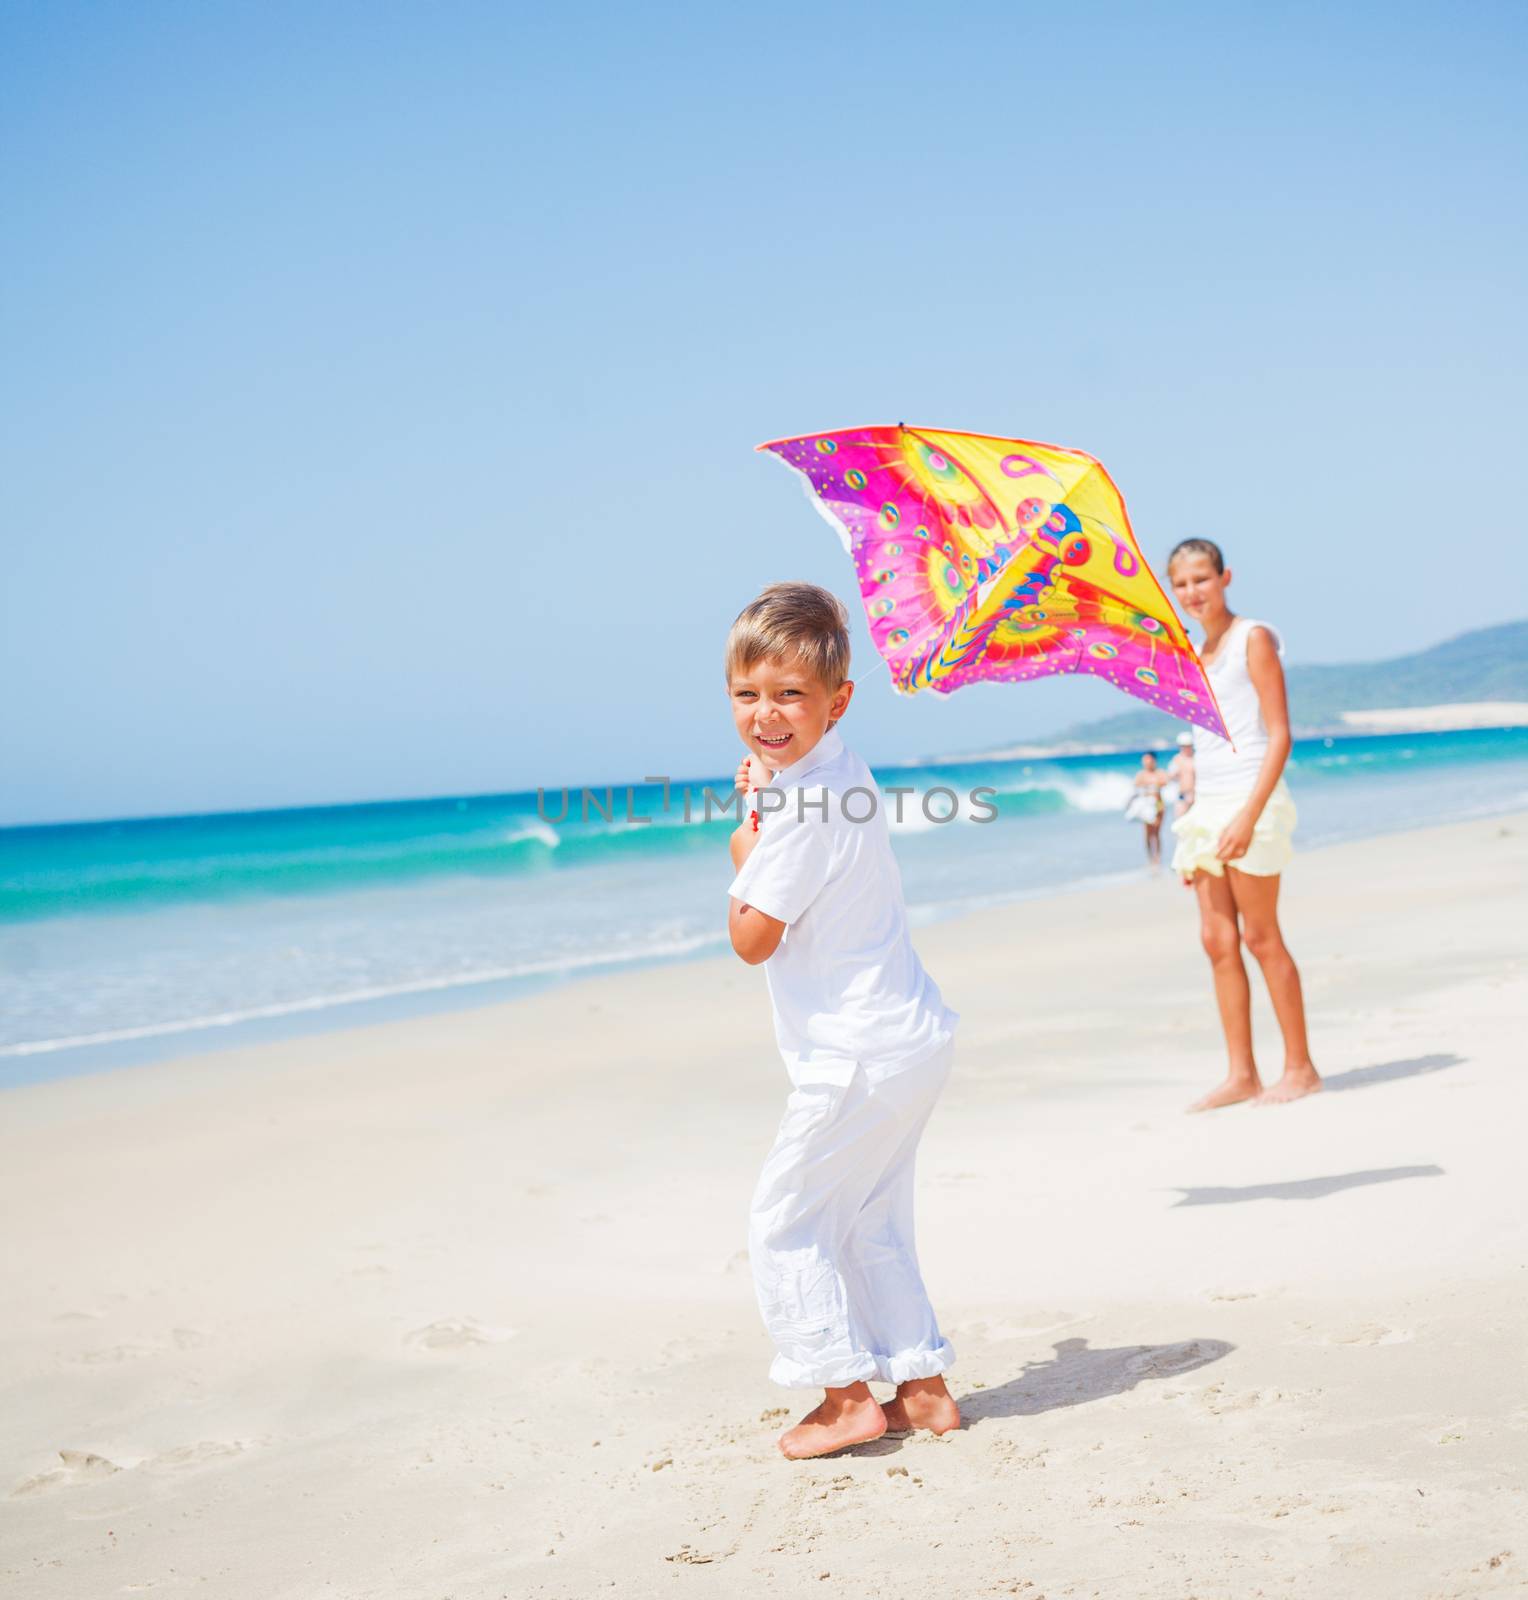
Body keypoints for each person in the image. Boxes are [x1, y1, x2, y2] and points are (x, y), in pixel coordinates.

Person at [724, 582, 960, 1459]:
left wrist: (744, 847)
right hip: (908, 1040)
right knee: (868, 1219)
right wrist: (771, 795)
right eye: (748, 695)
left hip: (855, 1053)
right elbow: (799, 805)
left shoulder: (801, 813)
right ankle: (923, 1389)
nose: (767, 714)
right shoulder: (840, 774)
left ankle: (844, 1396)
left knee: (787, 1219)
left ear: (838, 699)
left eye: (791, 695)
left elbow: (754, 938)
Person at [1167, 539, 1321, 1111]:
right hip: (1207, 808)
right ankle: (1242, 1074)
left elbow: (1279, 733)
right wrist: (1195, 815)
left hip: (1252, 800)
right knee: (1217, 942)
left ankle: (1301, 1069)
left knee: (1260, 936)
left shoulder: (1252, 638)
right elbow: (1204, 741)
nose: (1192, 593)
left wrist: (1247, 817)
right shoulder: (1189, 652)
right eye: (1181, 584)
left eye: (1202, 579)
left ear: (1225, 577)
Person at [1123, 752, 1167, 868]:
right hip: (1146, 806)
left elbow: (1164, 782)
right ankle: (1150, 858)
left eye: (1148, 760)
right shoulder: (1141, 774)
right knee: (1147, 833)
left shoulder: (1159, 772)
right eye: (1144, 760)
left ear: (1153, 760)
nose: (1146, 763)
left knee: (1156, 832)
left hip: (1158, 804)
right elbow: (1135, 786)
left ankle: (1157, 857)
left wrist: (1151, 785)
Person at [1167, 732, 1196, 819]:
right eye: (1184, 746)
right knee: (1181, 824)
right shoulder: (1176, 760)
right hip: (1182, 796)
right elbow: (1170, 777)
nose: (1186, 748)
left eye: (1188, 745)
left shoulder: (1196, 758)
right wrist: (1176, 774)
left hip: (1196, 796)